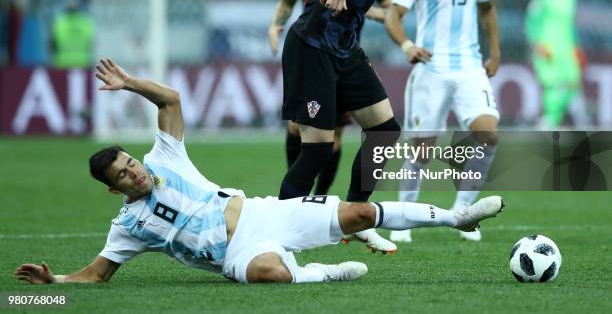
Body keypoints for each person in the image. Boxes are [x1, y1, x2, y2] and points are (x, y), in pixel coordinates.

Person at [14, 59, 504, 285]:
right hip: (236, 254)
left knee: (358, 214)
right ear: (112, 191)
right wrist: (52, 285)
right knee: (269, 272)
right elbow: (97, 276)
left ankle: (457, 219)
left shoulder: (165, 157)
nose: (134, 173)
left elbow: (171, 99)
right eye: (122, 176)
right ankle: (322, 273)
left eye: (129, 163)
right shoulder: (128, 227)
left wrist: (128, 84)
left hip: (262, 214)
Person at [277, 0, 451, 253]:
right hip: (313, 47)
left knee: (385, 131)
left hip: (344, 50)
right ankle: (275, 233)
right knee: (318, 150)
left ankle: (356, 215)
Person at [384, 0, 501, 243]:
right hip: (430, 68)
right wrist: (407, 45)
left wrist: (494, 53)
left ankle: (464, 213)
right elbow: (394, 15)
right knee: (422, 148)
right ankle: (403, 219)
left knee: (488, 134)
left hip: (469, 66)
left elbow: (488, 10)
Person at [268, 0, 393, 198]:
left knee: (334, 138)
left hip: (347, 56)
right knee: (301, 131)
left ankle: (322, 198)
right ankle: (299, 201)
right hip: (314, 53)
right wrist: (275, 25)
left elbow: (391, 11)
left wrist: (367, 11)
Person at [525, 0, 584, 128]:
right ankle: (550, 120)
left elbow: (571, 24)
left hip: (567, 48)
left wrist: (576, 44)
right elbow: (531, 21)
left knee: (573, 82)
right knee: (552, 85)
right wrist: (536, 42)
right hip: (547, 47)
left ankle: (554, 118)